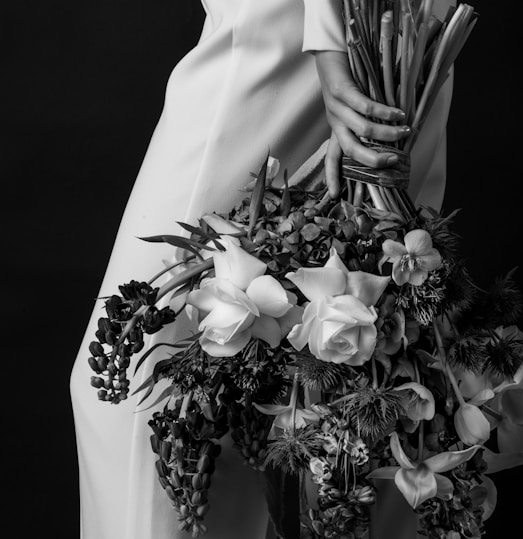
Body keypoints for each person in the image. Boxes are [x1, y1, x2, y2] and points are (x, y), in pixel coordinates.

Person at [69, 1, 455, 538]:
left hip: (304, 42)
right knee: (332, 379)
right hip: (340, 41)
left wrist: (330, 46)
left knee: (155, 400)